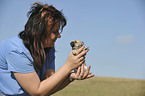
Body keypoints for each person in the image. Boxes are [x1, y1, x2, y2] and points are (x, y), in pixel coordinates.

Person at [0, 2, 94, 96]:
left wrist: (70, 77)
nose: (59, 36)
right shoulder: (16, 51)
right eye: (54, 32)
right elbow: (37, 92)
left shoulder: (48, 49)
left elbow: (48, 86)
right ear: (39, 32)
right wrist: (68, 66)